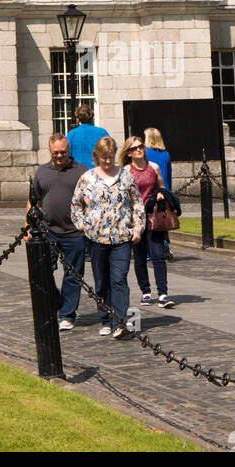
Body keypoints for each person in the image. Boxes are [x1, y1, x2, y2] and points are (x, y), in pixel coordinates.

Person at [71, 136, 145, 340]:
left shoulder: (126, 176)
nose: (107, 161)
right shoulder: (88, 178)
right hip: (97, 239)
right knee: (102, 281)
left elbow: (136, 204)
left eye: (111, 157)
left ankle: (120, 322)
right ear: (96, 157)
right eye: (104, 157)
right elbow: (76, 206)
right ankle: (105, 318)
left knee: (119, 279)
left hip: (122, 237)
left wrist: (138, 228)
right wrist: (84, 226)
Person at [28, 134, 88, 330]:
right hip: (48, 231)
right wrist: (29, 226)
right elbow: (33, 201)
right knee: (43, 271)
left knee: (73, 275)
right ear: (50, 151)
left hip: (74, 233)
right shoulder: (42, 172)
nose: (59, 156)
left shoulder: (81, 171)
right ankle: (59, 303)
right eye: (56, 153)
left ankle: (67, 315)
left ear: (69, 151)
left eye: (63, 152)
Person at [120, 136, 176, 308]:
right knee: (139, 257)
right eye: (134, 148)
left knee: (158, 254)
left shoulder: (154, 167)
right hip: (135, 218)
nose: (138, 150)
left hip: (153, 217)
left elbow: (162, 187)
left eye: (140, 146)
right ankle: (145, 292)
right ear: (129, 153)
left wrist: (160, 194)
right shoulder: (126, 171)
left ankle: (163, 294)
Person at [144, 125, 174, 260]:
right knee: (162, 221)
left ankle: (149, 252)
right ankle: (165, 244)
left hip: (150, 190)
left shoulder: (145, 153)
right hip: (164, 190)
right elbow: (168, 175)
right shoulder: (166, 154)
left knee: (150, 221)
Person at [66, 104, 110, 168]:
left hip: (78, 171)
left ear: (77, 119)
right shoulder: (102, 132)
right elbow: (110, 150)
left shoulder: (72, 134)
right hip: (98, 170)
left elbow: (67, 155)